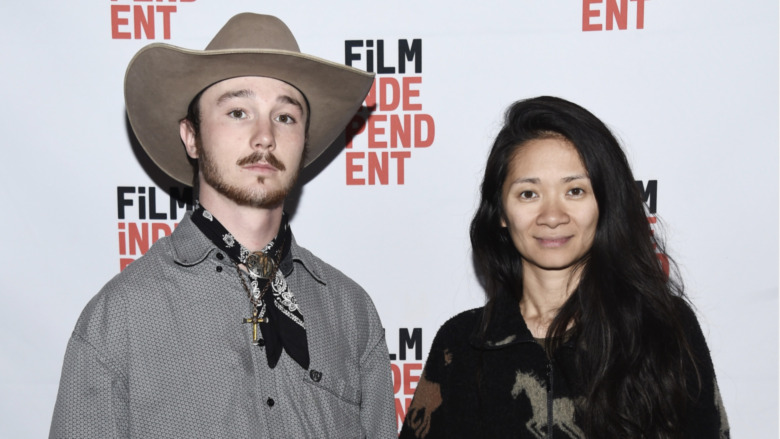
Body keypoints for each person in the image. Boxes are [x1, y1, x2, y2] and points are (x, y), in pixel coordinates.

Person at [50, 13, 396, 438]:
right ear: (192, 137)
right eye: (238, 111)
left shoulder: (351, 313)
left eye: (285, 117)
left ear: (303, 141)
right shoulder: (119, 321)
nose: (264, 136)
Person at [400, 96, 729, 438]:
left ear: (605, 203)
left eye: (575, 191)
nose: (553, 217)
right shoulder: (463, 344)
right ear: (500, 212)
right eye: (529, 194)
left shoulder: (664, 329)